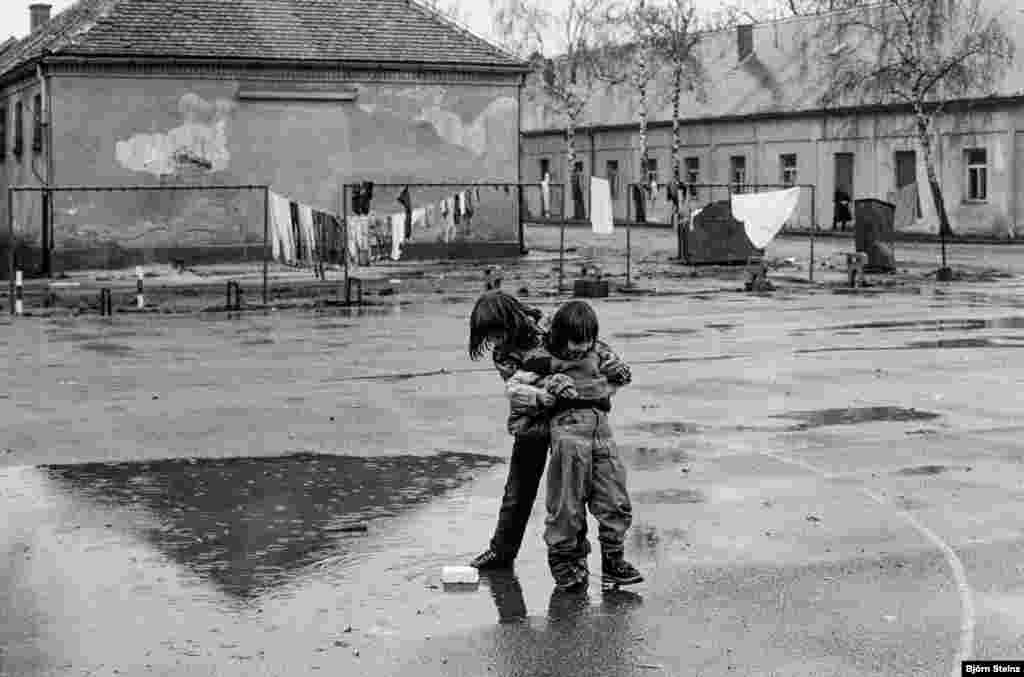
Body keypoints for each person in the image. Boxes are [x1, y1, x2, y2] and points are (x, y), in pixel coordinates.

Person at [505, 300, 643, 592]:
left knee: (614, 496)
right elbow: (515, 388)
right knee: (567, 503)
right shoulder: (543, 358)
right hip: (568, 439)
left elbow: (616, 377)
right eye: (575, 342)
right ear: (560, 335)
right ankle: (566, 563)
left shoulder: (599, 351)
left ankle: (614, 561)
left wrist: (617, 377)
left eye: (587, 341)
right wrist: (544, 395)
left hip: (600, 433)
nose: (581, 348)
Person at [466, 290, 553, 570]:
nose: (495, 340)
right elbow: (522, 389)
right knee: (517, 491)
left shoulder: (549, 327)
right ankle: (501, 551)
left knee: (572, 489)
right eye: (489, 336)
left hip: (571, 418)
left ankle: (574, 555)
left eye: (497, 332)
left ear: (510, 319)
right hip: (532, 421)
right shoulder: (503, 354)